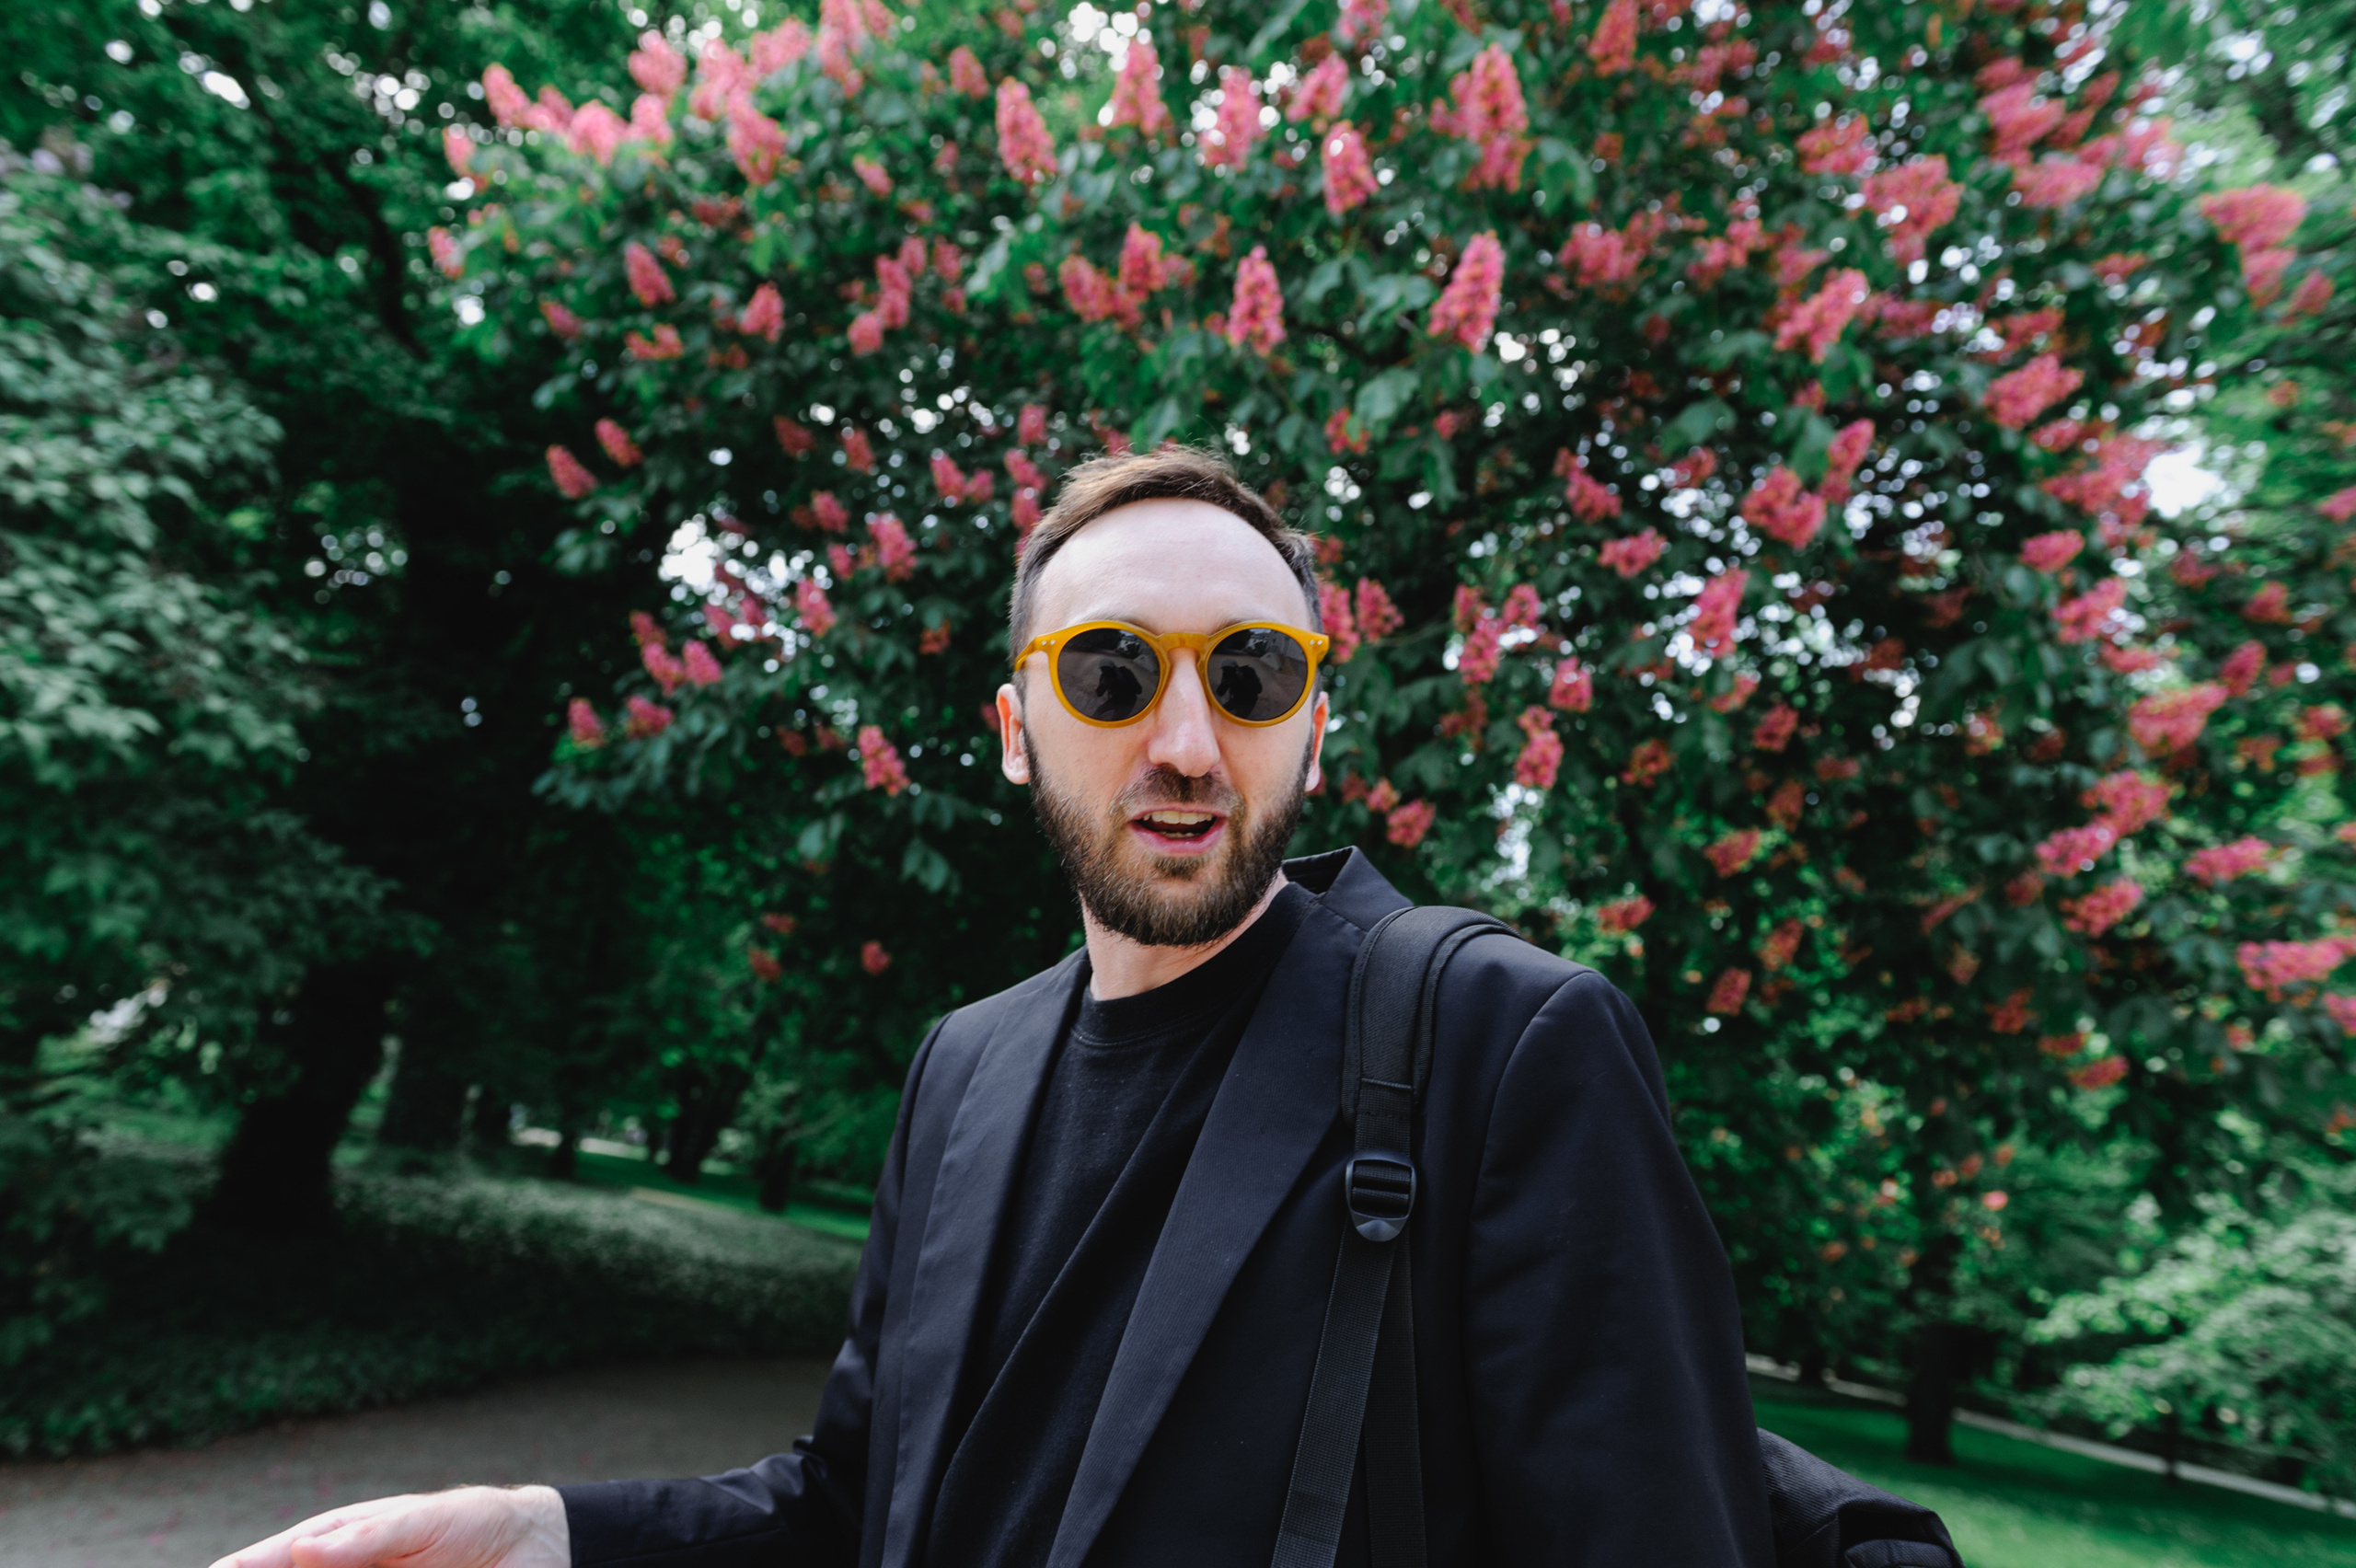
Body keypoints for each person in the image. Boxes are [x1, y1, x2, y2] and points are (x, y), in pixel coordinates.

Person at [214, 448, 1775, 1568]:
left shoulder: (1508, 1044)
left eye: (1249, 676)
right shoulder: (965, 1068)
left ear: (1316, 723)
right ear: (1017, 728)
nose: (1182, 739)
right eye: (1108, 674)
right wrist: (541, 1534)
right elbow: (854, 1508)